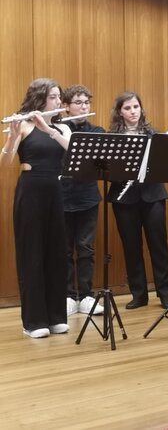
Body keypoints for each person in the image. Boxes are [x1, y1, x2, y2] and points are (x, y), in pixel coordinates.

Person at [0, 78, 72, 338]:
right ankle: (33, 321)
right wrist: (12, 137)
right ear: (39, 98)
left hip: (56, 191)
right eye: (52, 96)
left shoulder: (63, 128)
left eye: (58, 96)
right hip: (30, 191)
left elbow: (73, 151)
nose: (57, 101)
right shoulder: (24, 125)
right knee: (31, 253)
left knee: (56, 253)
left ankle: (56, 317)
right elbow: (5, 163)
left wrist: (48, 129)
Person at [106, 92, 168, 310]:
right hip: (124, 198)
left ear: (141, 109)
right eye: (127, 108)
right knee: (131, 247)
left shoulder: (154, 134)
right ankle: (139, 294)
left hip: (153, 196)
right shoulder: (112, 137)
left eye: (136, 106)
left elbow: (164, 166)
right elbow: (107, 171)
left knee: (158, 245)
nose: (133, 111)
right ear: (119, 112)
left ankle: (165, 294)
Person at [61, 84, 105, 316]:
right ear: (66, 106)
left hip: (87, 198)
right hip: (61, 197)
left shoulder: (96, 131)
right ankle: (68, 296)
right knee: (65, 250)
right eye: (78, 102)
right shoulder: (56, 129)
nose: (84, 106)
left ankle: (86, 296)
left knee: (86, 248)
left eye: (86, 102)